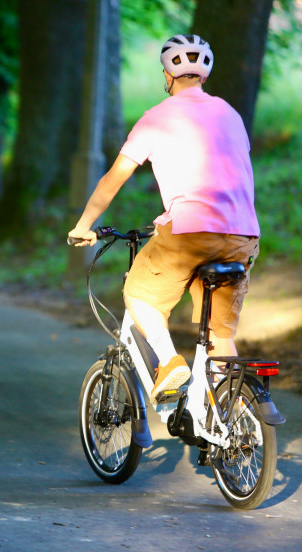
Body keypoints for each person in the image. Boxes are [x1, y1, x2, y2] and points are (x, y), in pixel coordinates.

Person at [68, 34, 260, 404]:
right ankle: (234, 418)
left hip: (189, 231)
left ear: (168, 76)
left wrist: (83, 224)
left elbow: (113, 179)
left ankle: (169, 362)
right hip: (243, 234)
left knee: (141, 296)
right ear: (204, 76)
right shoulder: (230, 114)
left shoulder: (156, 118)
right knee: (220, 332)